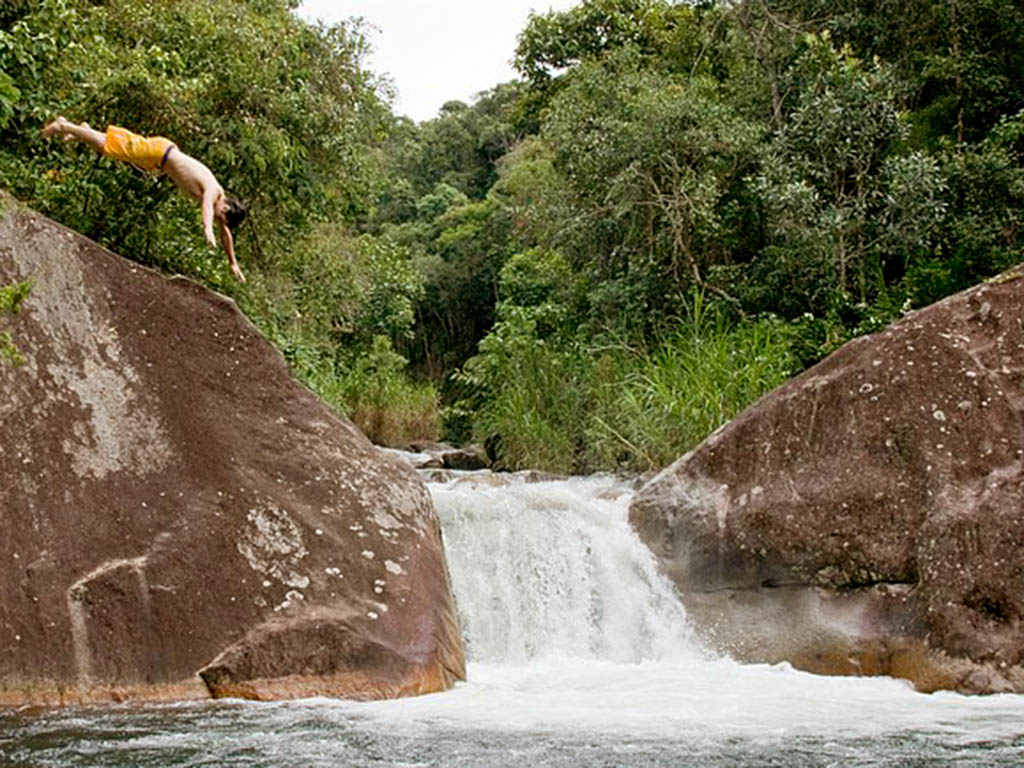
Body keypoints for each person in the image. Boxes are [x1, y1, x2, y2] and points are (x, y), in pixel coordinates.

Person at [42, 117, 247, 282]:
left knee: (116, 148)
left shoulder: (220, 205)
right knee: (110, 147)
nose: (219, 218)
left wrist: (233, 263)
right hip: (160, 153)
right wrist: (207, 228)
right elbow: (207, 208)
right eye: (221, 214)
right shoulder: (213, 189)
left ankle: (82, 130)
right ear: (226, 204)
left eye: (221, 220)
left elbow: (225, 233)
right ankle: (64, 125)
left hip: (160, 158)